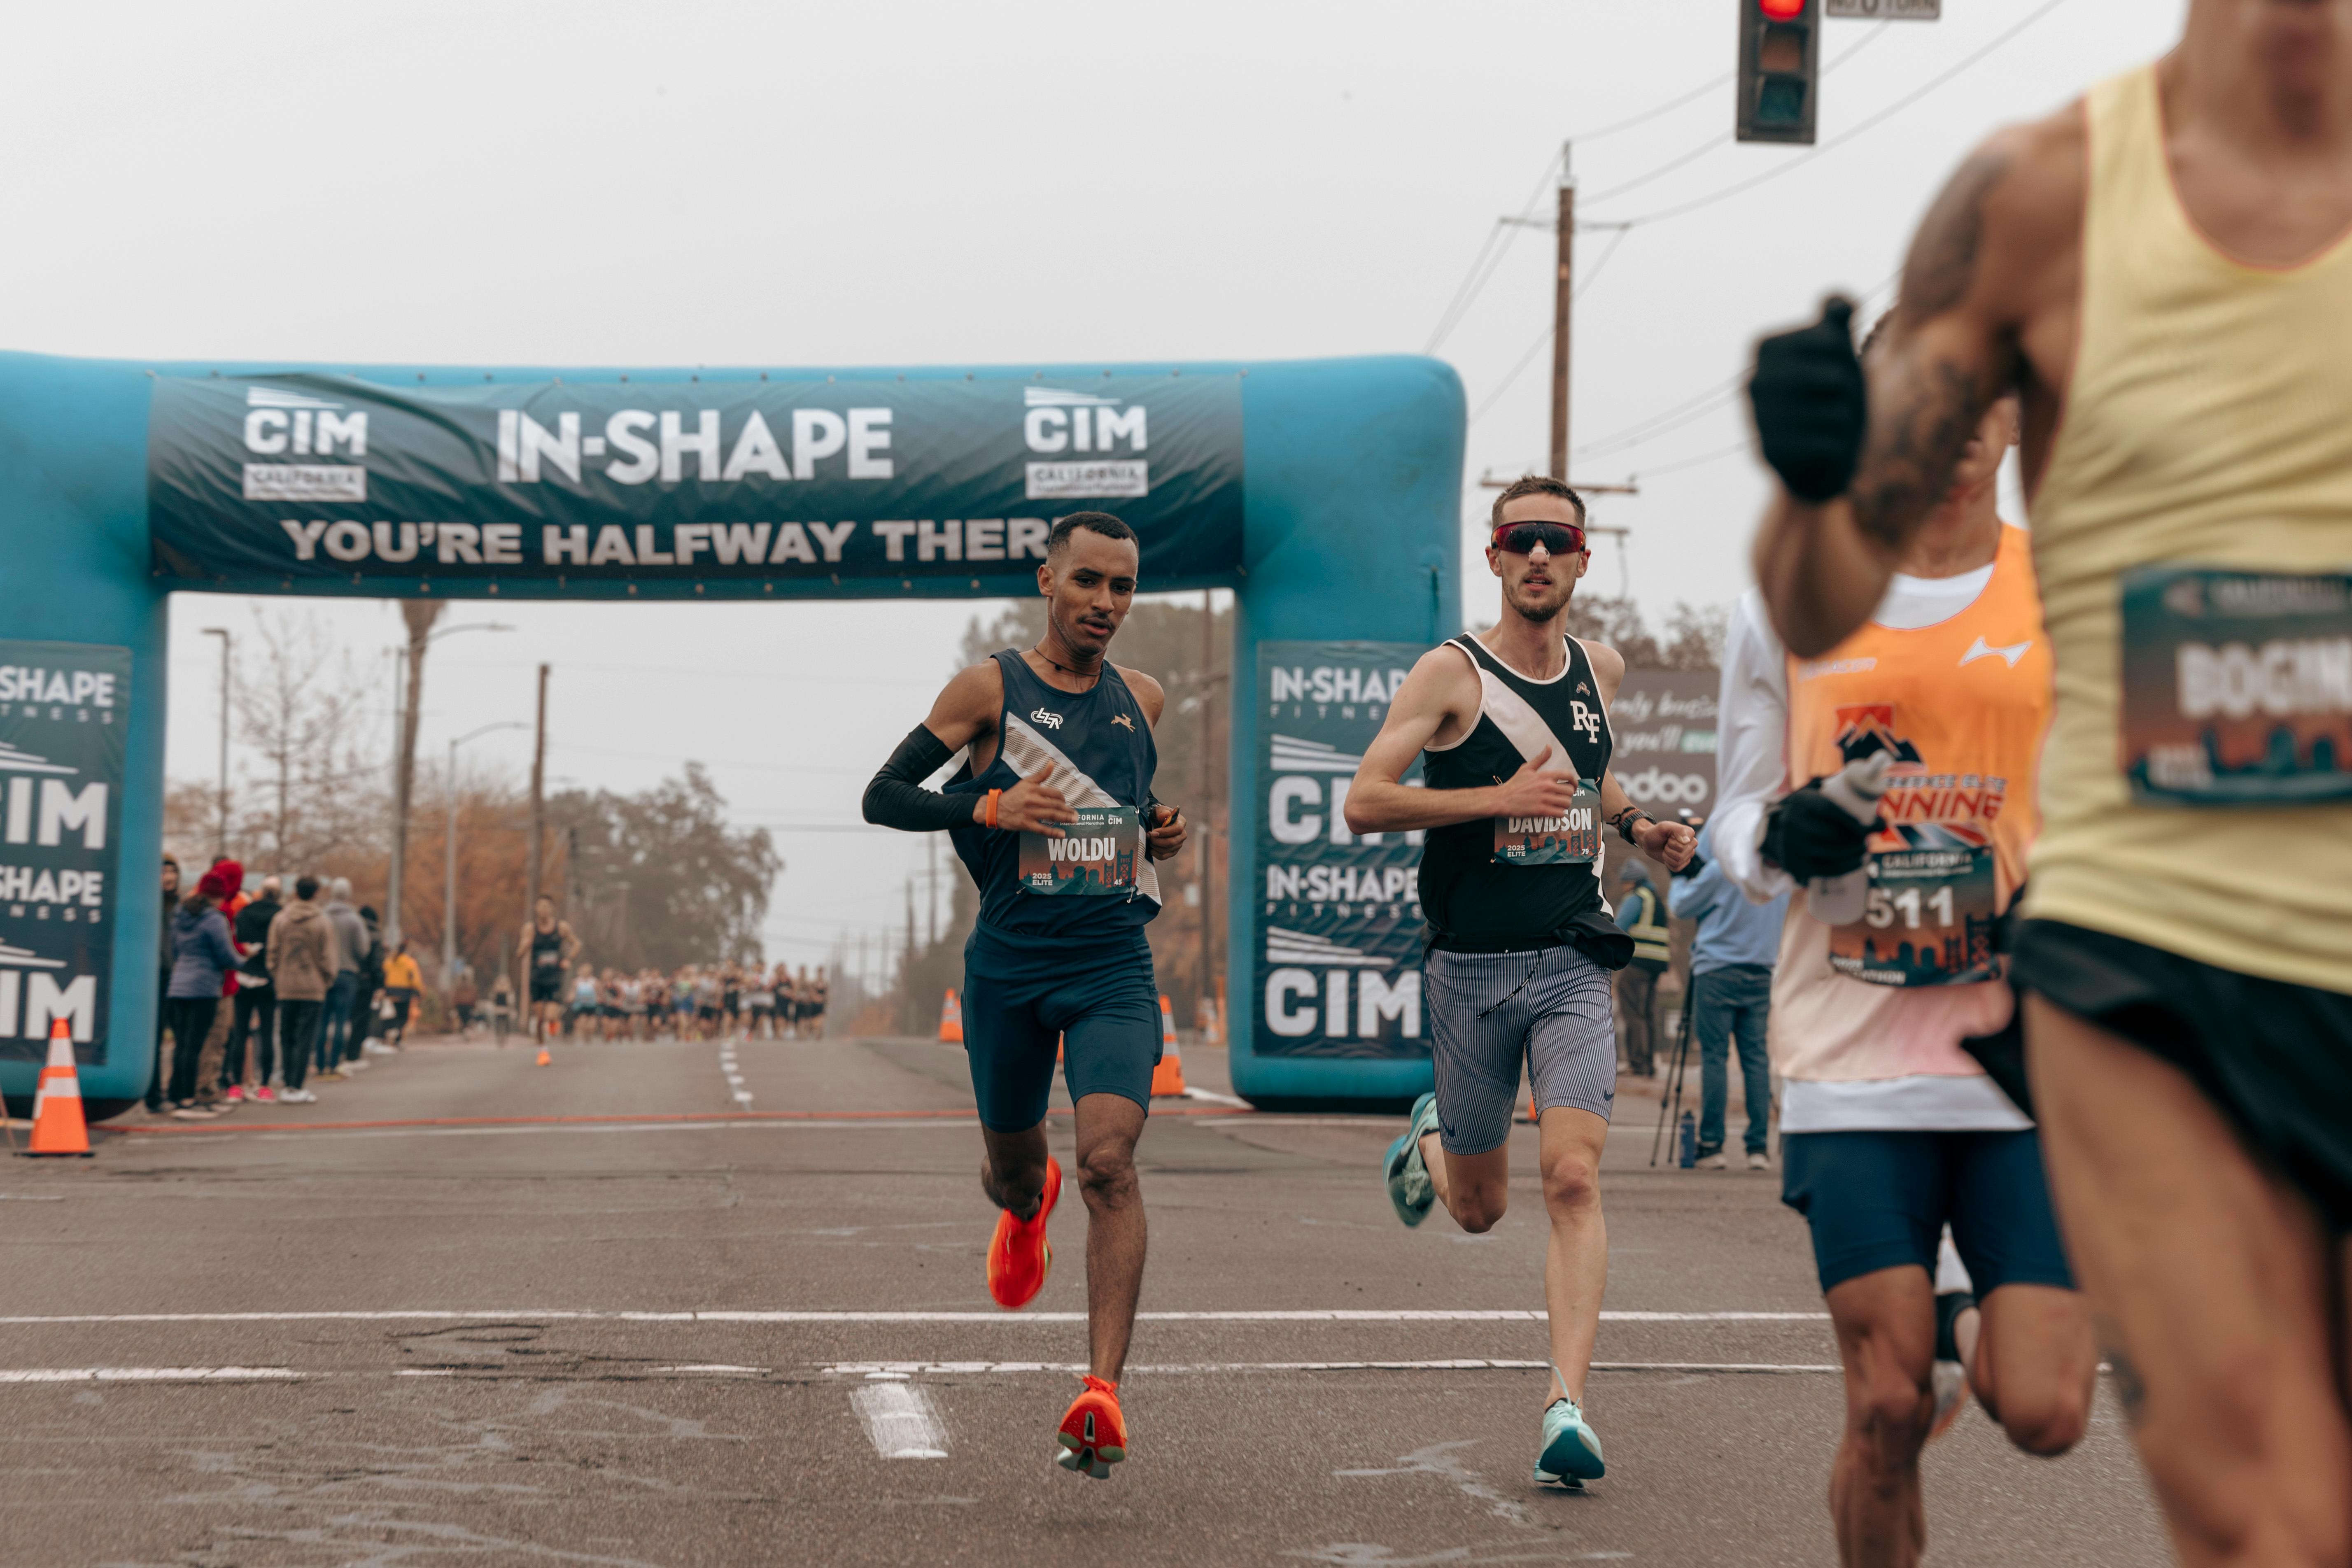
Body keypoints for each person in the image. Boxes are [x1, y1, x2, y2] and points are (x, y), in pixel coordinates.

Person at [1746, 10, 2352, 1560]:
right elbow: (1804, 600)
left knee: (2062, 1410)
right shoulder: (2043, 198)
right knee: (2258, 1516)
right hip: (2124, 962)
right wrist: (1806, 483)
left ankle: (1961, 1332)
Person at [1346, 475, 1696, 1489]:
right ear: (1495, 556)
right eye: (1520, 538)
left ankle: (1565, 1404)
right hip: (1469, 966)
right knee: (1479, 1210)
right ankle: (1430, 1138)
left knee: (1574, 1176)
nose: (1539, 555)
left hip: (1572, 956)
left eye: (1557, 539)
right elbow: (1365, 800)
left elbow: (1587, 772)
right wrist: (1495, 795)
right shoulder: (1450, 673)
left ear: (1582, 559)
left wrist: (1636, 826)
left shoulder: (1601, 670)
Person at [860, 510, 1188, 1480]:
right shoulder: (988, 690)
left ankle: (1101, 1391)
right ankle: (1023, 1199)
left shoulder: (1144, 698)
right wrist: (989, 803)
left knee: (1109, 1164)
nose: (1104, 602)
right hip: (1007, 970)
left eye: (1122, 586)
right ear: (1047, 581)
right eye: (1087, 580)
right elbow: (884, 794)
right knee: (1018, 1170)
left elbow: (1122, 811)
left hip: (1111, 967)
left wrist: (1157, 829)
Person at [1669, 822, 1788, 1171]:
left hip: (1716, 970)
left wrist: (1679, 876)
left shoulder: (1721, 870)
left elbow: (1681, 906)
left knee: (1714, 1057)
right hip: (1761, 971)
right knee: (1755, 1059)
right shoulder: (1776, 874)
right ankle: (1757, 1148)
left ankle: (1712, 1145)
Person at [164, 867, 240, 1117]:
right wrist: (246, 960)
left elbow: (175, 950)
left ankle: (176, 1094)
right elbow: (225, 955)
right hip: (204, 988)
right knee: (195, 1045)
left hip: (178, 985)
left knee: (182, 1043)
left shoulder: (181, 915)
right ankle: (189, 1099)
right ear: (218, 896)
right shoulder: (215, 919)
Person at [267, 875, 334, 1104]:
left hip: (286, 986)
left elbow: (272, 953)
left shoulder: (281, 919)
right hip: (312, 988)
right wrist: (325, 981)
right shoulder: (322, 922)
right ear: (316, 894)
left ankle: (287, 1084)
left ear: (295, 892)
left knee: (286, 1036)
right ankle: (298, 1085)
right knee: (306, 1038)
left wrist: (278, 975)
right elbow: (328, 958)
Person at [1613, 860, 1671, 1077]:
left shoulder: (1636, 898)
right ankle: (1648, 1064)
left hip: (1638, 961)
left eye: (1624, 882)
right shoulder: (1656, 899)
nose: (1623, 886)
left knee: (1632, 1011)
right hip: (1657, 963)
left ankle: (1637, 1064)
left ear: (1632, 881)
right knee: (1647, 1013)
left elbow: (1619, 927)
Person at [228, 874, 282, 1102]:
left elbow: (236, 942)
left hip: (243, 977)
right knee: (268, 1034)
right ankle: (265, 1086)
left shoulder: (244, 914)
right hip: (268, 980)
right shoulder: (280, 916)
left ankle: (236, 1085)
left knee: (240, 1033)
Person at [515, 895, 580, 1049]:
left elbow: (577, 944)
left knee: (550, 1016)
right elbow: (519, 954)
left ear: (552, 909)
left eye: (547, 906)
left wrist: (568, 960)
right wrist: (526, 944)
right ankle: (542, 1048)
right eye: (540, 906)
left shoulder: (561, 927)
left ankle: (553, 1023)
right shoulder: (530, 929)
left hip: (554, 978)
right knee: (540, 1018)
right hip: (537, 978)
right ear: (536, 909)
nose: (543, 910)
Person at [318, 878, 366, 1080]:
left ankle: (320, 1063)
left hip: (324, 974)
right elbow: (363, 949)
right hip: (347, 974)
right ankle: (335, 1063)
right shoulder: (354, 920)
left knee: (322, 1021)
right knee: (341, 1021)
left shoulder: (322, 916)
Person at [148, 855, 181, 1114]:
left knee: (181, 1037)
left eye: (172, 872)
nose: (169, 877)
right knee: (156, 1038)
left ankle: (177, 1092)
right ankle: (154, 1094)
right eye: (164, 872)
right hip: (156, 978)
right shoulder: (150, 905)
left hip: (178, 977)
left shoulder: (181, 907)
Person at [382, 940, 422, 1046]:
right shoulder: (410, 962)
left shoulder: (389, 961)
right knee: (403, 1017)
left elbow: (383, 975)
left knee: (391, 1015)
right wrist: (418, 991)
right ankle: (398, 1036)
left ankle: (390, 1033)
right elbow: (415, 979)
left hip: (390, 992)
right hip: (404, 992)